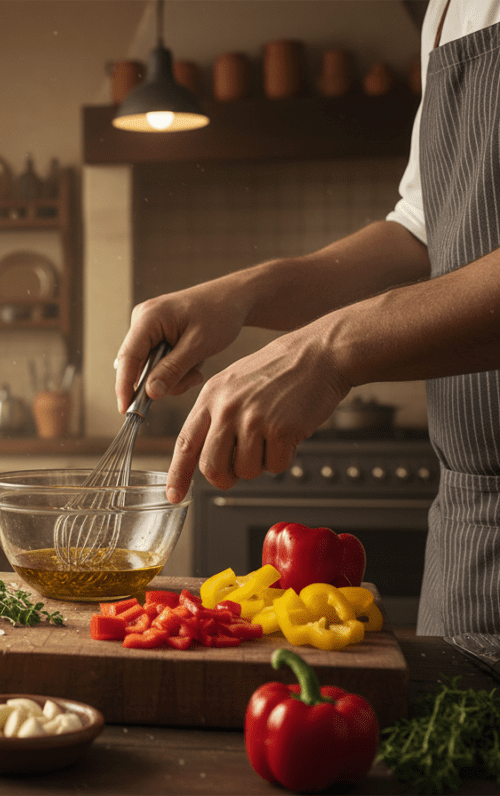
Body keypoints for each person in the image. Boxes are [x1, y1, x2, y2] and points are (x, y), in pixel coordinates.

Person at [113, 0, 500, 636]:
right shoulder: (443, 12)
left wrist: (328, 348)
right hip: (469, 525)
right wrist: (242, 295)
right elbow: (421, 236)